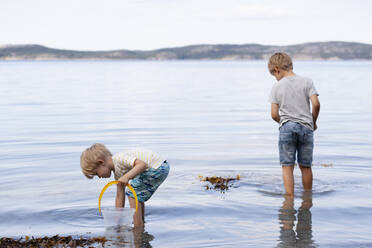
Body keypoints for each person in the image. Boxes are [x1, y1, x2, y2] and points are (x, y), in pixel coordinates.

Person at [268, 52, 320, 196]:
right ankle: (308, 198)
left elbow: (273, 114)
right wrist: (313, 122)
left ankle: (289, 199)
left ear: (277, 69)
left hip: (287, 128)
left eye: (274, 74)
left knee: (287, 166)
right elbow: (316, 104)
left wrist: (284, 123)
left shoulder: (276, 87)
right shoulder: (307, 81)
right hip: (306, 128)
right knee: (306, 166)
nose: (275, 78)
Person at [80, 143, 170, 226]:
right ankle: (141, 222)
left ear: (101, 163)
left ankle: (138, 226)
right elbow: (119, 195)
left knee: (132, 193)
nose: (99, 177)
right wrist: (117, 217)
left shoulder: (119, 159)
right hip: (157, 167)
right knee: (137, 195)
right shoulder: (118, 173)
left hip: (157, 167)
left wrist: (127, 177)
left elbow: (142, 165)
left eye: (96, 173)